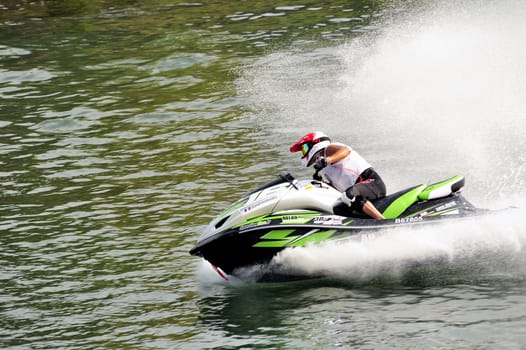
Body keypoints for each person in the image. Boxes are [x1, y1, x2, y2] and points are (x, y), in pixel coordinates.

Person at [289, 131, 386, 220]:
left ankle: (382, 221)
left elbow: (345, 150)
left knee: (350, 194)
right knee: (337, 207)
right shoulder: (324, 170)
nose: (304, 152)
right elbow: (337, 190)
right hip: (357, 193)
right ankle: (360, 225)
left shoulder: (329, 149)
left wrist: (327, 160)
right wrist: (323, 184)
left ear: (315, 143)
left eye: (304, 148)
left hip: (373, 183)